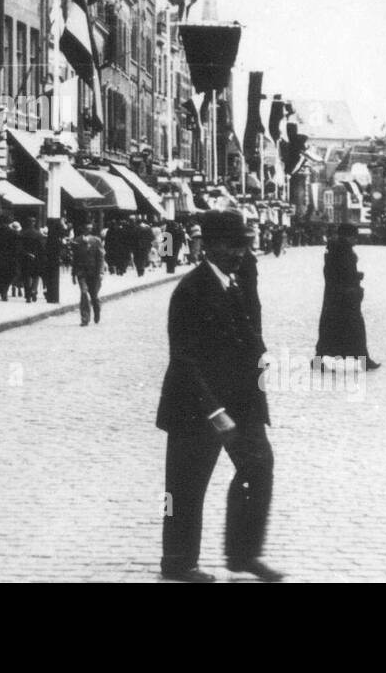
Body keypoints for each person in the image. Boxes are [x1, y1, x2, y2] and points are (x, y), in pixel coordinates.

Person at [157, 210, 282, 583]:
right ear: (208, 246)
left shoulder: (237, 283)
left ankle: (243, 555)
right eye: (231, 245)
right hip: (196, 405)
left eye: (243, 245)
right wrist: (213, 411)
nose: (239, 252)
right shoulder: (190, 291)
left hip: (242, 401)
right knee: (185, 487)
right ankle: (178, 563)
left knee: (258, 466)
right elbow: (183, 359)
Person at [315, 223, 378, 370]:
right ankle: (364, 360)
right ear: (347, 236)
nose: (356, 240)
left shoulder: (336, 249)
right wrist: (357, 278)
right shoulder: (343, 251)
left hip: (334, 297)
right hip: (345, 297)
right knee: (356, 329)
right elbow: (343, 274)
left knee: (329, 329)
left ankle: (318, 360)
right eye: (354, 237)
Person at [69, 222, 105, 326]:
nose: (88, 230)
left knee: (94, 295)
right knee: (84, 293)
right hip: (81, 271)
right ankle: (85, 318)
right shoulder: (77, 241)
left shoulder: (97, 241)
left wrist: (101, 272)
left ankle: (97, 310)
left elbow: (101, 257)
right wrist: (73, 274)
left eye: (90, 228)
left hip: (94, 272)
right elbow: (74, 259)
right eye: (86, 228)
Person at [18, 217, 46, 303]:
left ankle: (28, 294)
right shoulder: (38, 234)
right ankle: (33, 291)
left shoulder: (22, 234)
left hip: (26, 257)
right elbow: (42, 247)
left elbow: (19, 247)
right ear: (34, 223)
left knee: (26, 276)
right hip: (36, 257)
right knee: (36, 276)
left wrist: (25, 253)